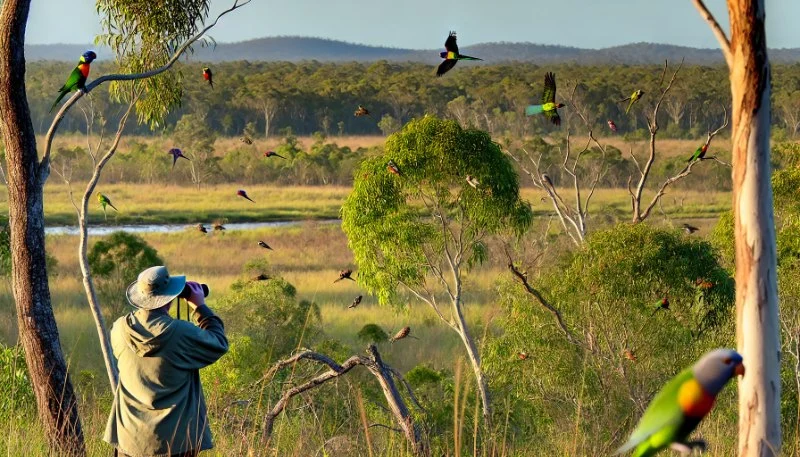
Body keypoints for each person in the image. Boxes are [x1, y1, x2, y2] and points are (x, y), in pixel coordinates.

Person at [104, 265, 229, 457]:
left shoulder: (119, 329)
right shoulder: (181, 332)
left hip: (129, 439)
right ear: (171, 297)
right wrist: (200, 307)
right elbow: (219, 343)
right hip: (176, 442)